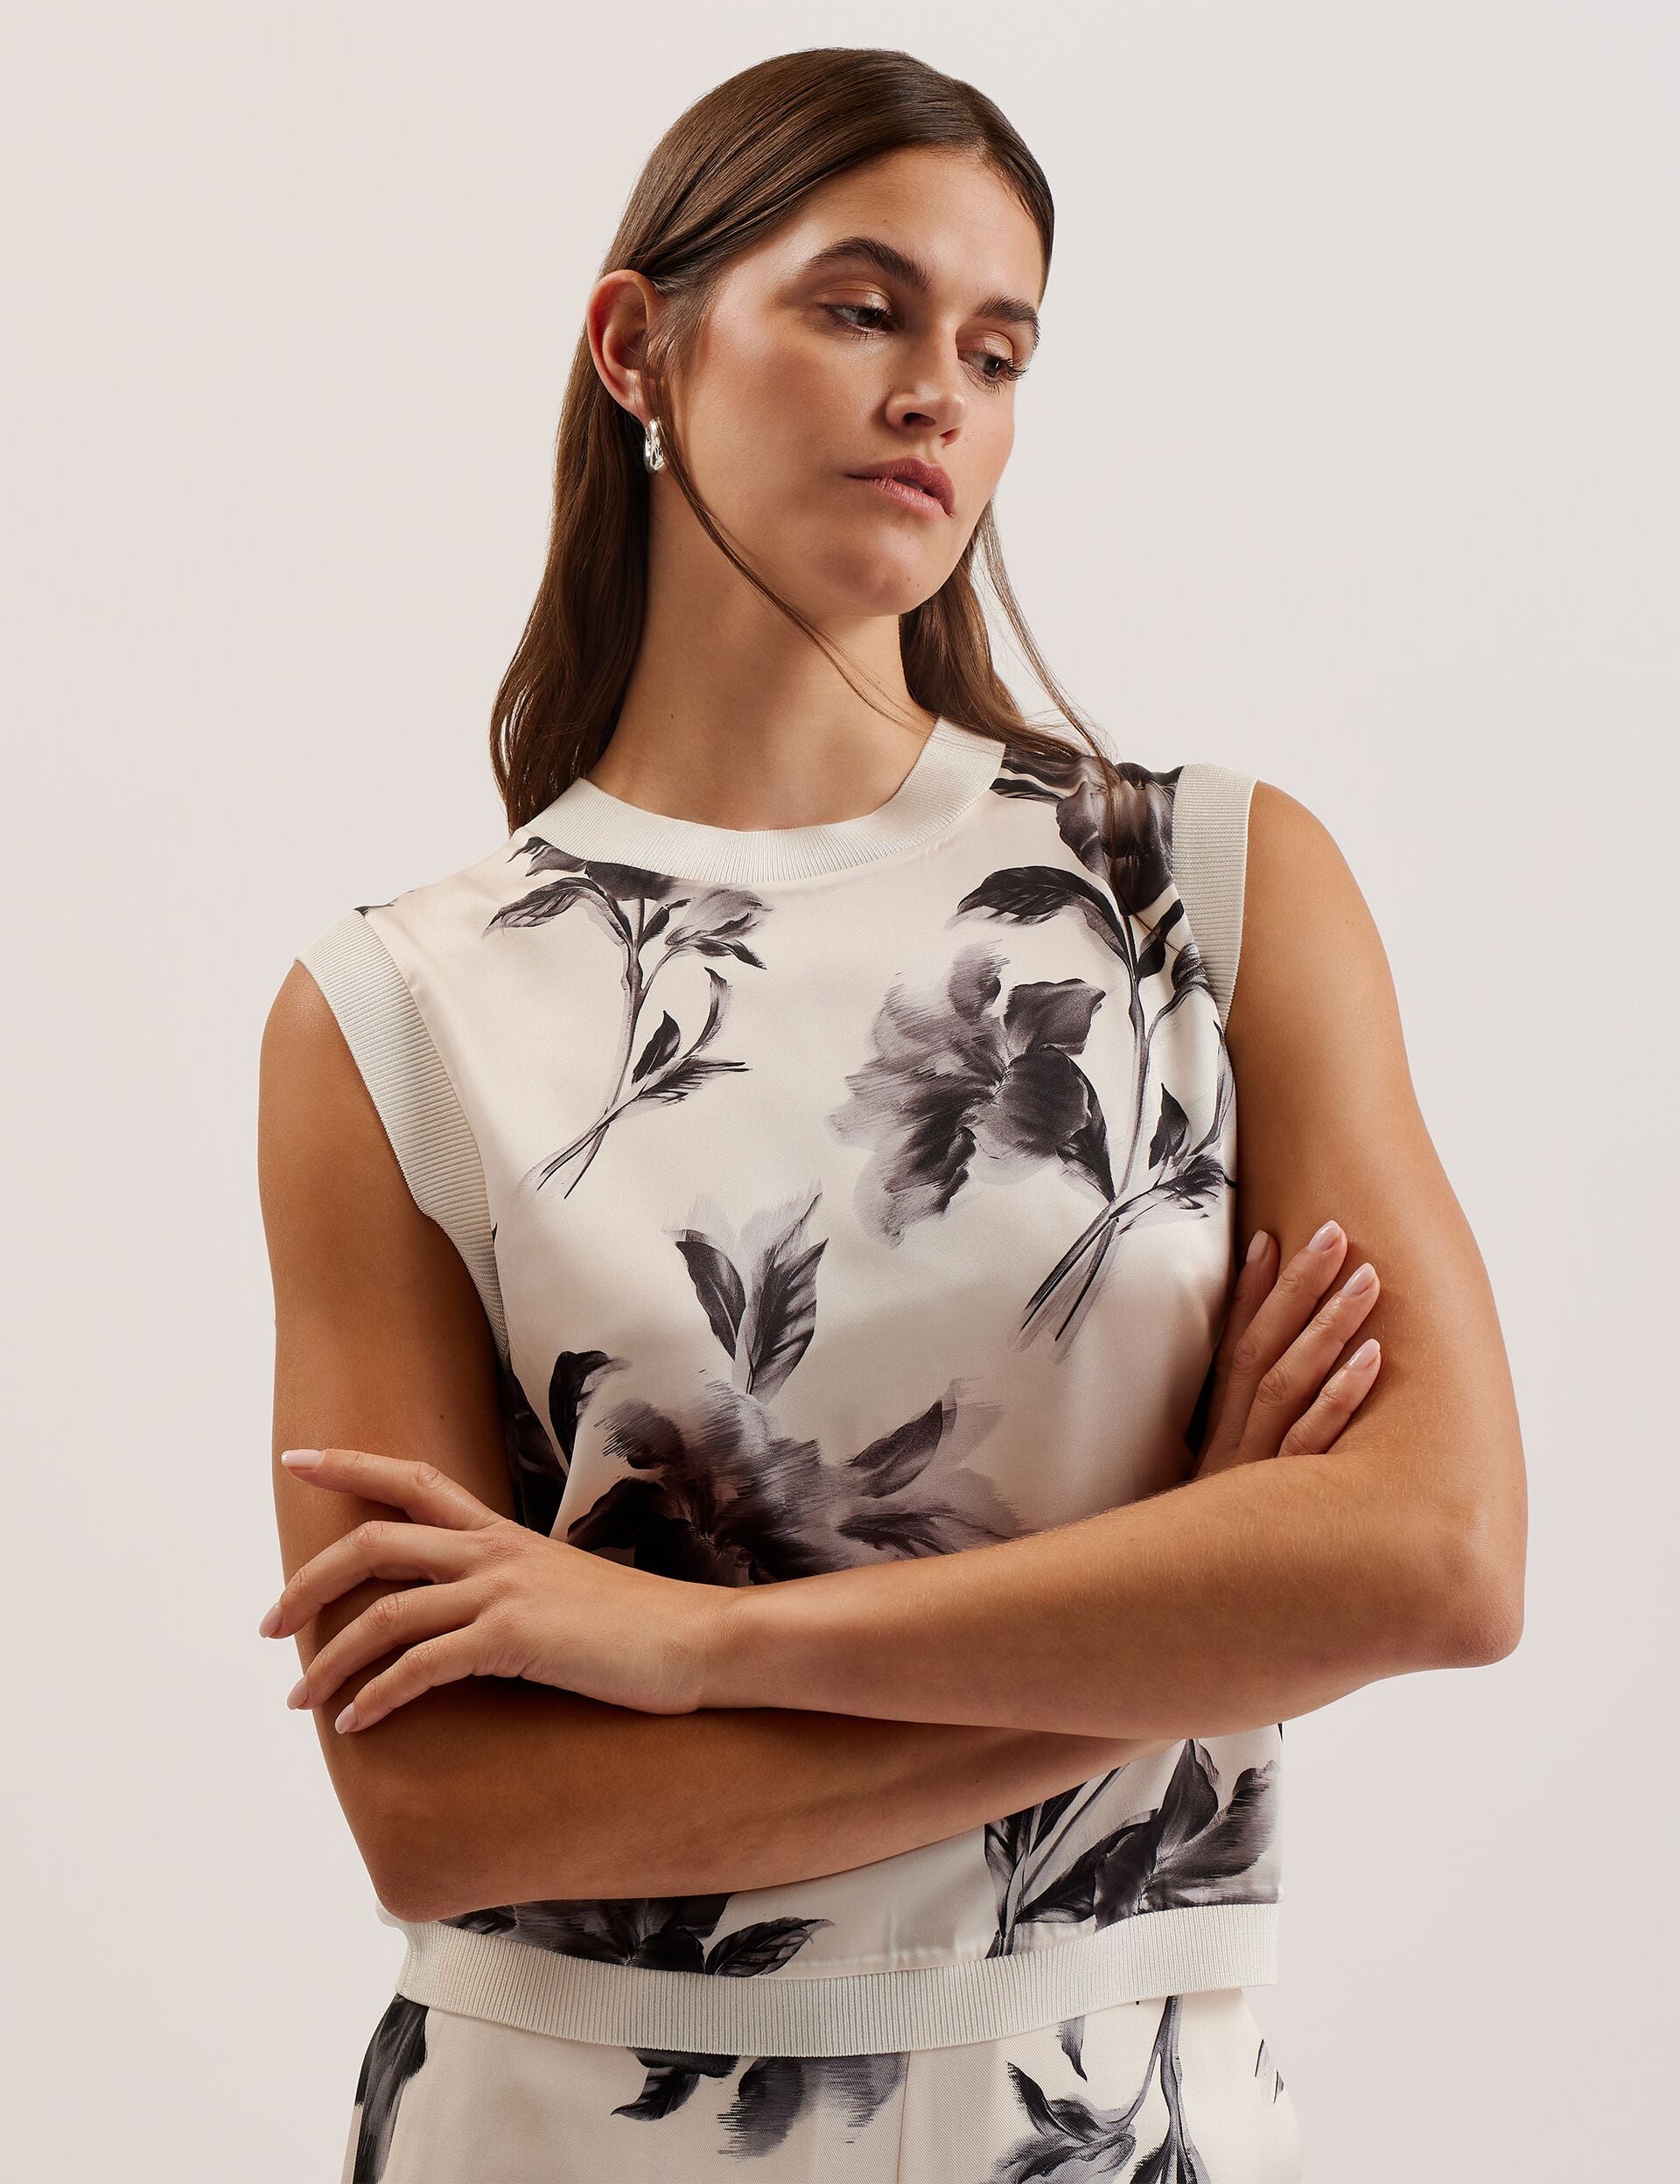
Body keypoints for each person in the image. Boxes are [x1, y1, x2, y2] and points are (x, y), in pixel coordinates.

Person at [256, 46, 1526, 2184]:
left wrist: (703, 1651)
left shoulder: (1198, 893)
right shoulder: (402, 1009)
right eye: (862, 308)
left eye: (997, 350)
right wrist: (1194, 1602)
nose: (938, 391)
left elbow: (1442, 1559)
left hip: (1117, 2115)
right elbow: (444, 1814)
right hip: (570, 2126)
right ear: (639, 348)